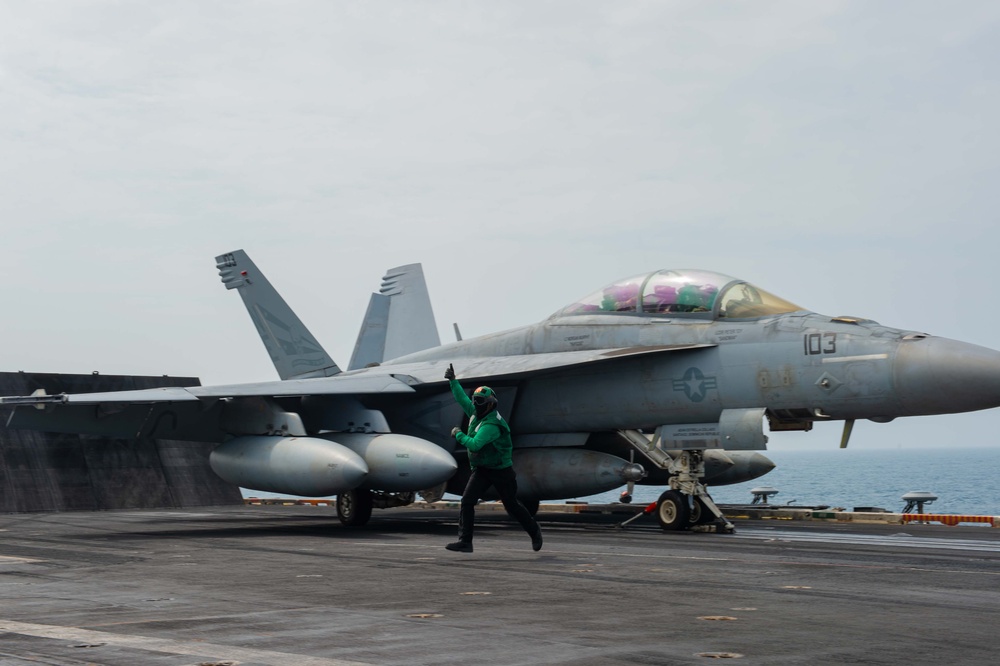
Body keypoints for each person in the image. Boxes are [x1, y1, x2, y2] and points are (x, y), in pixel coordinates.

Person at [444, 363, 542, 553]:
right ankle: (466, 541)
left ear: (490, 404)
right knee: (467, 502)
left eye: (479, 401)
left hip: (500, 471)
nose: (475, 404)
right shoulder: (476, 413)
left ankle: (534, 530)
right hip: (482, 469)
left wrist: (457, 433)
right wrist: (453, 381)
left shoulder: (492, 425)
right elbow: (462, 399)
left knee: (512, 505)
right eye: (475, 400)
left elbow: (475, 444)